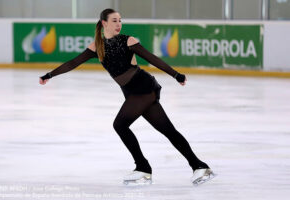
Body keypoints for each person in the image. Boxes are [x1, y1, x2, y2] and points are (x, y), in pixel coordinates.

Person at [39, 8, 215, 186]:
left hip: (143, 88)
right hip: (132, 93)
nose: (119, 24)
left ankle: (143, 168)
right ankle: (199, 166)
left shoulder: (128, 40)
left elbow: (152, 58)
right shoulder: (97, 46)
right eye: (114, 20)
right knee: (168, 130)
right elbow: (73, 63)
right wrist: (49, 75)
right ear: (104, 23)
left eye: (120, 20)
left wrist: (176, 75)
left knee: (120, 125)